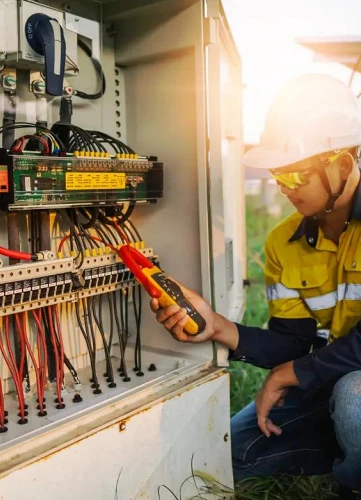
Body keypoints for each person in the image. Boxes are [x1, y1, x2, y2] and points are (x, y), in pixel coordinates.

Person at [150, 74, 361, 494]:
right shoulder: (284, 242)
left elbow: (300, 364)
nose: (283, 188)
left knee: (355, 399)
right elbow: (294, 343)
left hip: (349, 382)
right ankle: (342, 447)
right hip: (330, 375)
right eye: (278, 174)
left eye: (296, 176)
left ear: (342, 165)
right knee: (231, 454)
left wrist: (289, 375)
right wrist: (218, 327)